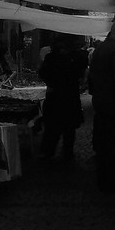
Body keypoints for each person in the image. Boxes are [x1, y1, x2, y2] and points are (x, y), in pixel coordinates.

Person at [87, 18, 115, 193]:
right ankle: (114, 184)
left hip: (100, 102)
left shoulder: (100, 49)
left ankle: (103, 180)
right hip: (113, 104)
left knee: (103, 144)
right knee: (113, 145)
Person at [38, 34, 89, 163]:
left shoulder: (51, 58)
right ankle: (67, 154)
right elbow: (79, 73)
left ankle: (48, 152)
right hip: (69, 97)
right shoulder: (74, 57)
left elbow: (43, 74)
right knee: (69, 129)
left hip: (55, 97)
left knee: (52, 128)